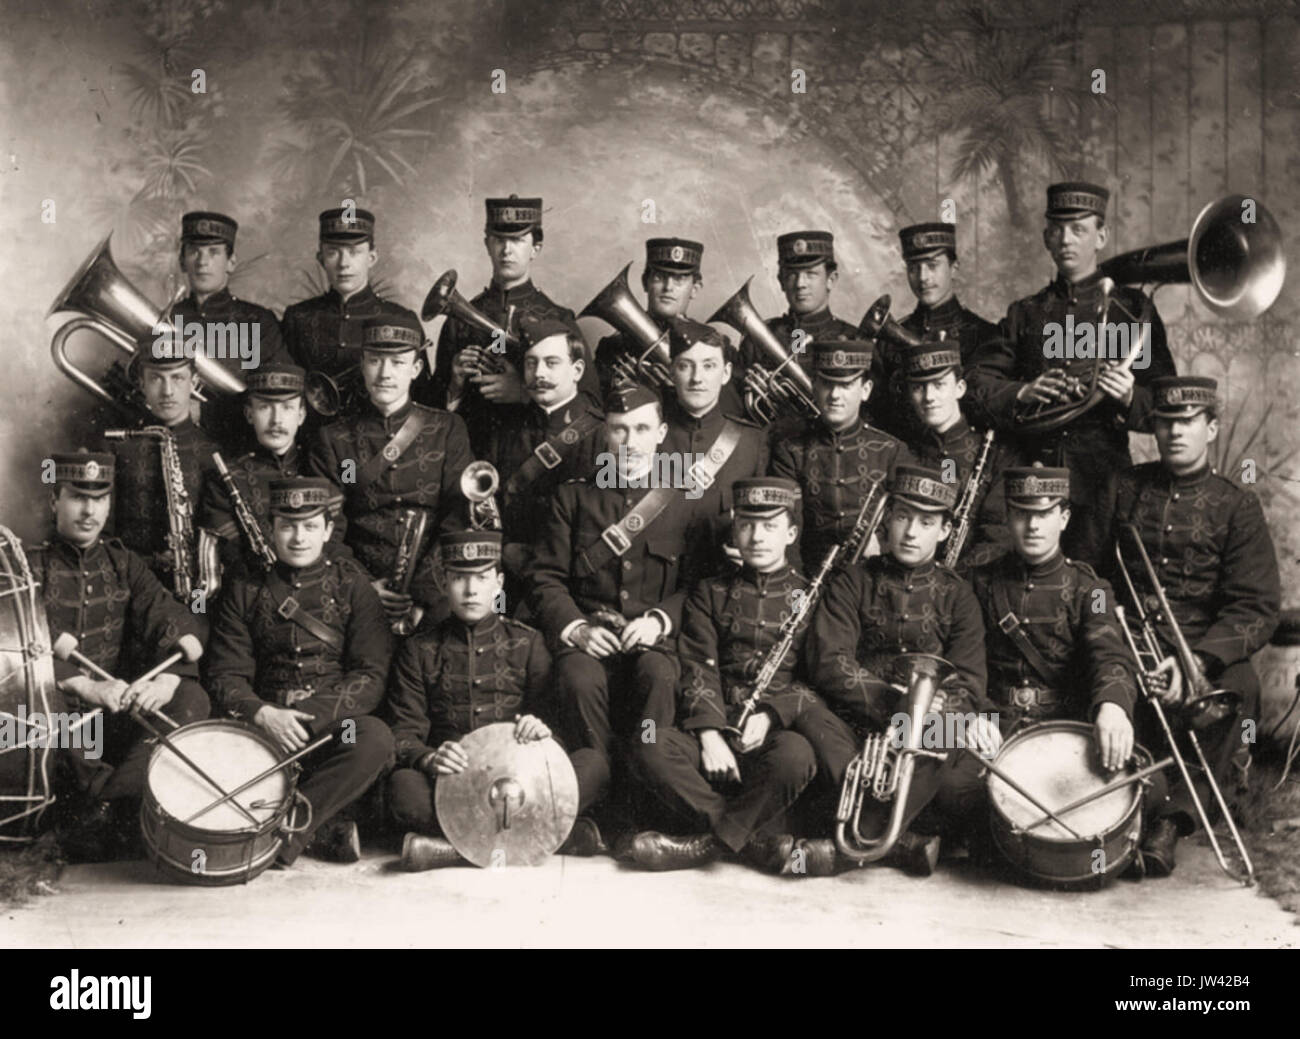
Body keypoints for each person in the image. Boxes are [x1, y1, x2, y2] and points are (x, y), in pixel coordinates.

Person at [1099, 376, 1280, 876]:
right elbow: (1087, 576)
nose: (1175, 431)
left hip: (1201, 648)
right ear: (1152, 428)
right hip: (1126, 637)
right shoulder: (1124, 487)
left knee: (1239, 687)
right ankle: (1117, 814)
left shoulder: (1237, 504)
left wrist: (1195, 661)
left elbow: (1256, 607)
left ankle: (1172, 823)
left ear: (1212, 428)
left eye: (1188, 422)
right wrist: (1111, 641)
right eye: (1165, 422)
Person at [795, 465, 996, 876]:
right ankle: (895, 843)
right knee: (807, 711)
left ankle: (851, 848)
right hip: (854, 718)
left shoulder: (959, 595)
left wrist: (934, 714)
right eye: (903, 516)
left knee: (950, 736)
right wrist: (894, 702)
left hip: (921, 726)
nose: (910, 532)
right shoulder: (852, 580)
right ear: (887, 519)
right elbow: (830, 662)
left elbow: (970, 680)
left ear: (943, 530)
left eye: (926, 522)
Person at [965, 181, 1177, 565]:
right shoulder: (1026, 313)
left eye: (1079, 229)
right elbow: (976, 384)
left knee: (1098, 587)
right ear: (1046, 237)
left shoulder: (1130, 310)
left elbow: (1168, 404)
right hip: (1033, 480)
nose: (1067, 239)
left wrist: (1131, 396)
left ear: (1101, 236)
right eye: (1058, 229)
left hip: (1105, 482)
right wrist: (1022, 392)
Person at [525, 383, 705, 824]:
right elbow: (544, 577)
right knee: (577, 677)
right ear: (605, 433)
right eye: (620, 430)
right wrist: (578, 629)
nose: (630, 441)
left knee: (658, 674)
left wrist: (660, 620)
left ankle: (646, 799)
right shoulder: (573, 497)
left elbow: (699, 585)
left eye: (641, 429)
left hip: (653, 641)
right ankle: (599, 794)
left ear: (661, 433)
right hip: (590, 637)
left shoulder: (682, 499)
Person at [619, 477, 819, 874]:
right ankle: (750, 843)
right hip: (713, 725)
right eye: (746, 525)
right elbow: (697, 664)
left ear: (791, 533)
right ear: (734, 528)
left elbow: (818, 677)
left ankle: (703, 846)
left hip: (770, 732)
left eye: (770, 526)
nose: (757, 536)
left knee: (797, 756)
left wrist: (772, 714)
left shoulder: (811, 595)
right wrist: (710, 735)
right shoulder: (709, 591)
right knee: (649, 743)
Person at [385, 530, 606, 870]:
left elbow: (558, 730)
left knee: (594, 763)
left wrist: (542, 731)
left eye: (482, 578)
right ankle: (547, 838)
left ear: (499, 583)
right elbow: (403, 733)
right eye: (460, 578)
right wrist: (429, 759)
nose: (471, 590)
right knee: (403, 789)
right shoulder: (419, 649)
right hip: (454, 785)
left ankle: (449, 850)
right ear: (445, 583)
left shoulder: (528, 643)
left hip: (524, 782)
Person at [205, 477, 395, 865]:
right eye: (287, 526)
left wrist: (312, 719)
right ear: (271, 528)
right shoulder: (244, 586)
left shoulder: (352, 586)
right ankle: (320, 828)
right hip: (263, 729)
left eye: (310, 526)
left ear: (327, 530)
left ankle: (281, 833)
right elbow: (225, 674)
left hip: (327, 731)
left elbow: (370, 676)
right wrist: (263, 713)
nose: (298, 537)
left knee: (373, 738)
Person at [29, 452, 209, 861]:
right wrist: (83, 684)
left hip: (112, 719)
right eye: (77, 497)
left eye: (100, 498)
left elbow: (170, 615)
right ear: (54, 500)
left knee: (192, 698)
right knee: (45, 714)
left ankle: (109, 807)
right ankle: (123, 809)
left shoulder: (123, 562)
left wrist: (167, 679)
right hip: (54, 719)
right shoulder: (29, 566)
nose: (89, 510)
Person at [310, 315, 472, 630]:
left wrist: (422, 597)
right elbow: (328, 527)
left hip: (437, 598)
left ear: (416, 369)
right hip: (358, 597)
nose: (384, 374)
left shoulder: (448, 429)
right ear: (362, 364)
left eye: (398, 362)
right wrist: (365, 589)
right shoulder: (334, 438)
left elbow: (459, 516)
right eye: (375, 361)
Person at [968, 466, 1139, 756]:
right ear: (1008, 518)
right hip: (992, 726)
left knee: (1150, 787)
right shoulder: (977, 582)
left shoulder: (1092, 589)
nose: (1033, 525)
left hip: (1064, 724)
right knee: (950, 787)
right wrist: (969, 714)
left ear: (1064, 518)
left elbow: (1109, 655)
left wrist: (1113, 706)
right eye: (1023, 514)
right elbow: (960, 659)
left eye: (1044, 514)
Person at [427, 195, 599, 458]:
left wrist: (524, 392)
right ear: (487, 244)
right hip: (471, 454)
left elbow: (591, 404)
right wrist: (455, 384)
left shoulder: (559, 318)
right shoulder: (457, 321)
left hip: (533, 458)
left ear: (536, 248)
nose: (507, 250)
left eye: (518, 240)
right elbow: (430, 410)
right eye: (499, 240)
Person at [197, 363, 348, 588]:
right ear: (249, 414)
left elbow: (337, 542)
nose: (276, 420)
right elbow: (233, 558)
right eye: (265, 407)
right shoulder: (224, 477)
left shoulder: (322, 466)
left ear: (301, 415)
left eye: (287, 408)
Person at [770, 339, 911, 570]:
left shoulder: (891, 450)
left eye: (846, 385)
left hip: (875, 573)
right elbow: (787, 524)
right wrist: (798, 584)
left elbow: (905, 516)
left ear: (865, 391)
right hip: (811, 573)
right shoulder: (790, 451)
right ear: (814, 386)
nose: (835, 395)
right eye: (827, 384)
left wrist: (883, 543)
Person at [487, 317, 604, 592]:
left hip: (574, 582)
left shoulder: (602, 433)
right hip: (509, 574)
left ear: (576, 371)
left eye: (552, 363)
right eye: (531, 363)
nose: (539, 373)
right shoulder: (505, 427)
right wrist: (503, 549)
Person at [104, 326, 219, 608]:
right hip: (128, 589)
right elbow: (103, 535)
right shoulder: (117, 447)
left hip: (195, 596)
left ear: (194, 382)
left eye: (177, 378)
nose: (167, 391)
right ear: (141, 384)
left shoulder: (212, 452)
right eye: (156, 379)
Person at [281, 207, 425, 430]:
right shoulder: (298, 317)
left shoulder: (401, 318)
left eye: (354, 252)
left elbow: (422, 395)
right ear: (320, 258)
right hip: (311, 443)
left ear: (372, 257)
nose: (343, 263)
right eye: (333, 252)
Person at [167, 210, 288, 452]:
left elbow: (276, 393)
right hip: (178, 448)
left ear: (231, 262)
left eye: (214, 252)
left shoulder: (257, 321)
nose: (203, 262)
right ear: (182, 261)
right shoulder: (169, 319)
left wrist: (204, 412)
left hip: (240, 449)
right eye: (194, 252)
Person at [899, 340, 1019, 571]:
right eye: (918, 388)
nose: (928, 397)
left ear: (960, 388)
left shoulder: (996, 453)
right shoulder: (902, 452)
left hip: (969, 583)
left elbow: (1000, 537)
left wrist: (951, 579)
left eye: (939, 385)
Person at [871, 221, 997, 438]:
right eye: (913, 267)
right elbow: (876, 412)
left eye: (932, 265)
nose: (922, 278)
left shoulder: (985, 335)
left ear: (954, 267)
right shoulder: (887, 340)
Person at [660, 316, 767, 571]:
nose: (698, 378)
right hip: (653, 588)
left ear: (726, 373)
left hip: (723, 584)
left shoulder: (752, 442)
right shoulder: (645, 436)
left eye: (709, 366)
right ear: (671, 372)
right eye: (686, 366)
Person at [591, 237, 743, 412]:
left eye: (679, 279)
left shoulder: (717, 346)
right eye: (659, 277)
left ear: (695, 288)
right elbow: (600, 413)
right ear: (645, 283)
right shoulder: (613, 348)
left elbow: (732, 411)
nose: (668, 287)